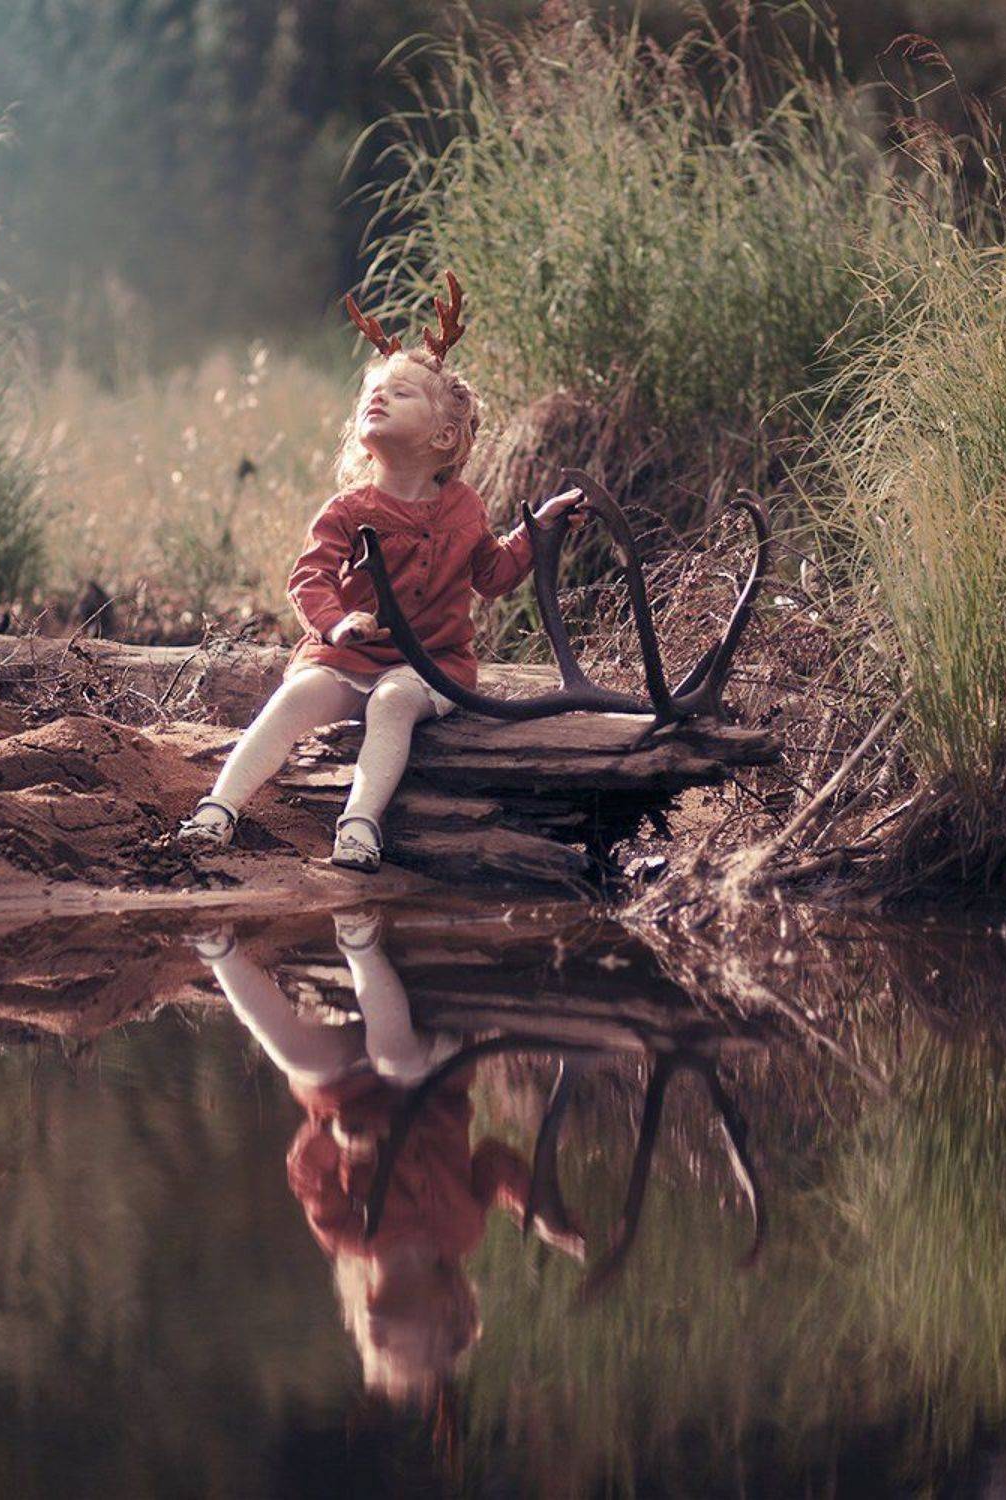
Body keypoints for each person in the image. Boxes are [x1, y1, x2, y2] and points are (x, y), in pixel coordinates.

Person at [178, 273, 586, 871]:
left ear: (444, 435)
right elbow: (310, 577)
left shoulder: (464, 507)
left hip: (433, 666)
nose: (379, 398)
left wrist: (539, 529)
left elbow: (494, 575)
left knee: (392, 702)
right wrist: (336, 623)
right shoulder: (349, 509)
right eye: (374, 392)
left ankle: (359, 825)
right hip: (350, 655)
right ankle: (217, 810)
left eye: (401, 393)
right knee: (296, 697)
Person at [190, 909, 587, 1405]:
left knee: (298, 1057)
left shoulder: (348, 1235)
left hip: (346, 1090)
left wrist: (336, 1138)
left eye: (371, 1346)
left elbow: (306, 1173)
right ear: (447, 1313)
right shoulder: (461, 1231)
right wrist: (538, 1208)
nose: (377, 1340)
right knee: (395, 1059)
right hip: (432, 1076)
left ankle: (217, 952)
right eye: (402, 1347)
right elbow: (493, 1162)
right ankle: (360, 944)